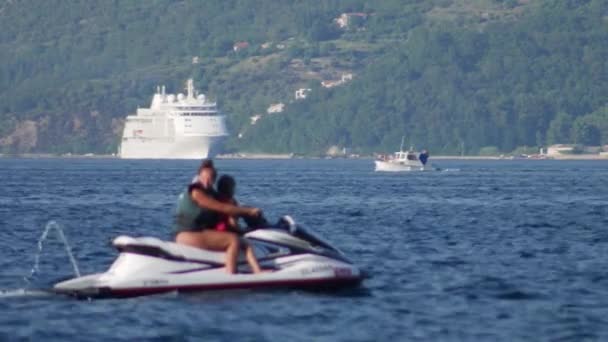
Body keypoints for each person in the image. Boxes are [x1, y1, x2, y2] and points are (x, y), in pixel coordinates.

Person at [174, 160, 260, 274]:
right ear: (199, 176)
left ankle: (257, 271)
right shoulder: (196, 192)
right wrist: (248, 211)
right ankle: (231, 275)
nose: (206, 182)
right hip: (187, 234)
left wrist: (246, 213)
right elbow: (222, 207)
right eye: (204, 178)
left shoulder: (210, 192)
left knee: (242, 240)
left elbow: (227, 205)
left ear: (214, 180)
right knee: (233, 240)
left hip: (197, 232)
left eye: (210, 179)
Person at [215, 174, 265, 273]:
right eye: (233, 187)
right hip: (224, 231)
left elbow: (239, 213)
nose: (234, 190)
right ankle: (258, 271)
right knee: (247, 245)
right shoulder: (227, 203)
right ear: (229, 188)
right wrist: (243, 231)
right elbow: (232, 223)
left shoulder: (220, 200)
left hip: (221, 229)